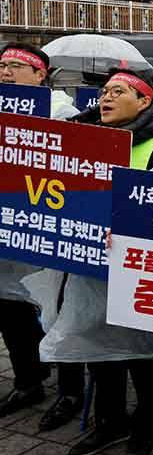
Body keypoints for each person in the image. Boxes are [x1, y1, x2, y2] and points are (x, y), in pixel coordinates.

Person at [39, 69, 153, 455]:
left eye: (118, 92)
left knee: (142, 354)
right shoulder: (80, 138)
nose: (105, 98)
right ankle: (109, 421)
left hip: (137, 273)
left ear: (144, 102)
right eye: (104, 91)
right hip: (88, 266)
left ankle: (146, 427)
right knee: (98, 346)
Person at [0, 43, 84, 428]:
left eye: (17, 66)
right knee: (9, 306)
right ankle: (29, 379)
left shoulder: (66, 114)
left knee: (60, 311)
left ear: (40, 75)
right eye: (2, 65)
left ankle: (71, 392)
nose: (6, 72)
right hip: (8, 228)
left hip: (51, 230)